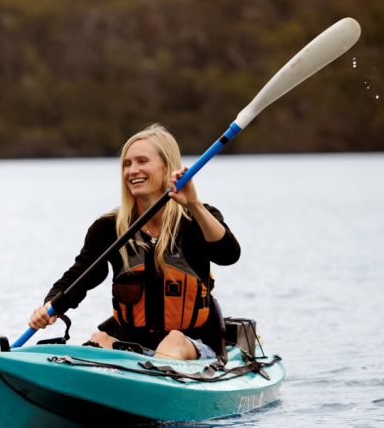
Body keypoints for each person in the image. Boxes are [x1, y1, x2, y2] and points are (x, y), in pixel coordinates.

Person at [28, 124, 240, 360]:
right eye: (127, 164)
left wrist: (193, 204)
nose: (132, 170)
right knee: (98, 340)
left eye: (142, 161)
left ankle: (153, 384)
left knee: (173, 343)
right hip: (131, 344)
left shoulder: (196, 218)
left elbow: (228, 254)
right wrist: (50, 306)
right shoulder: (109, 228)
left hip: (193, 345)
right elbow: (81, 275)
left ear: (166, 166)